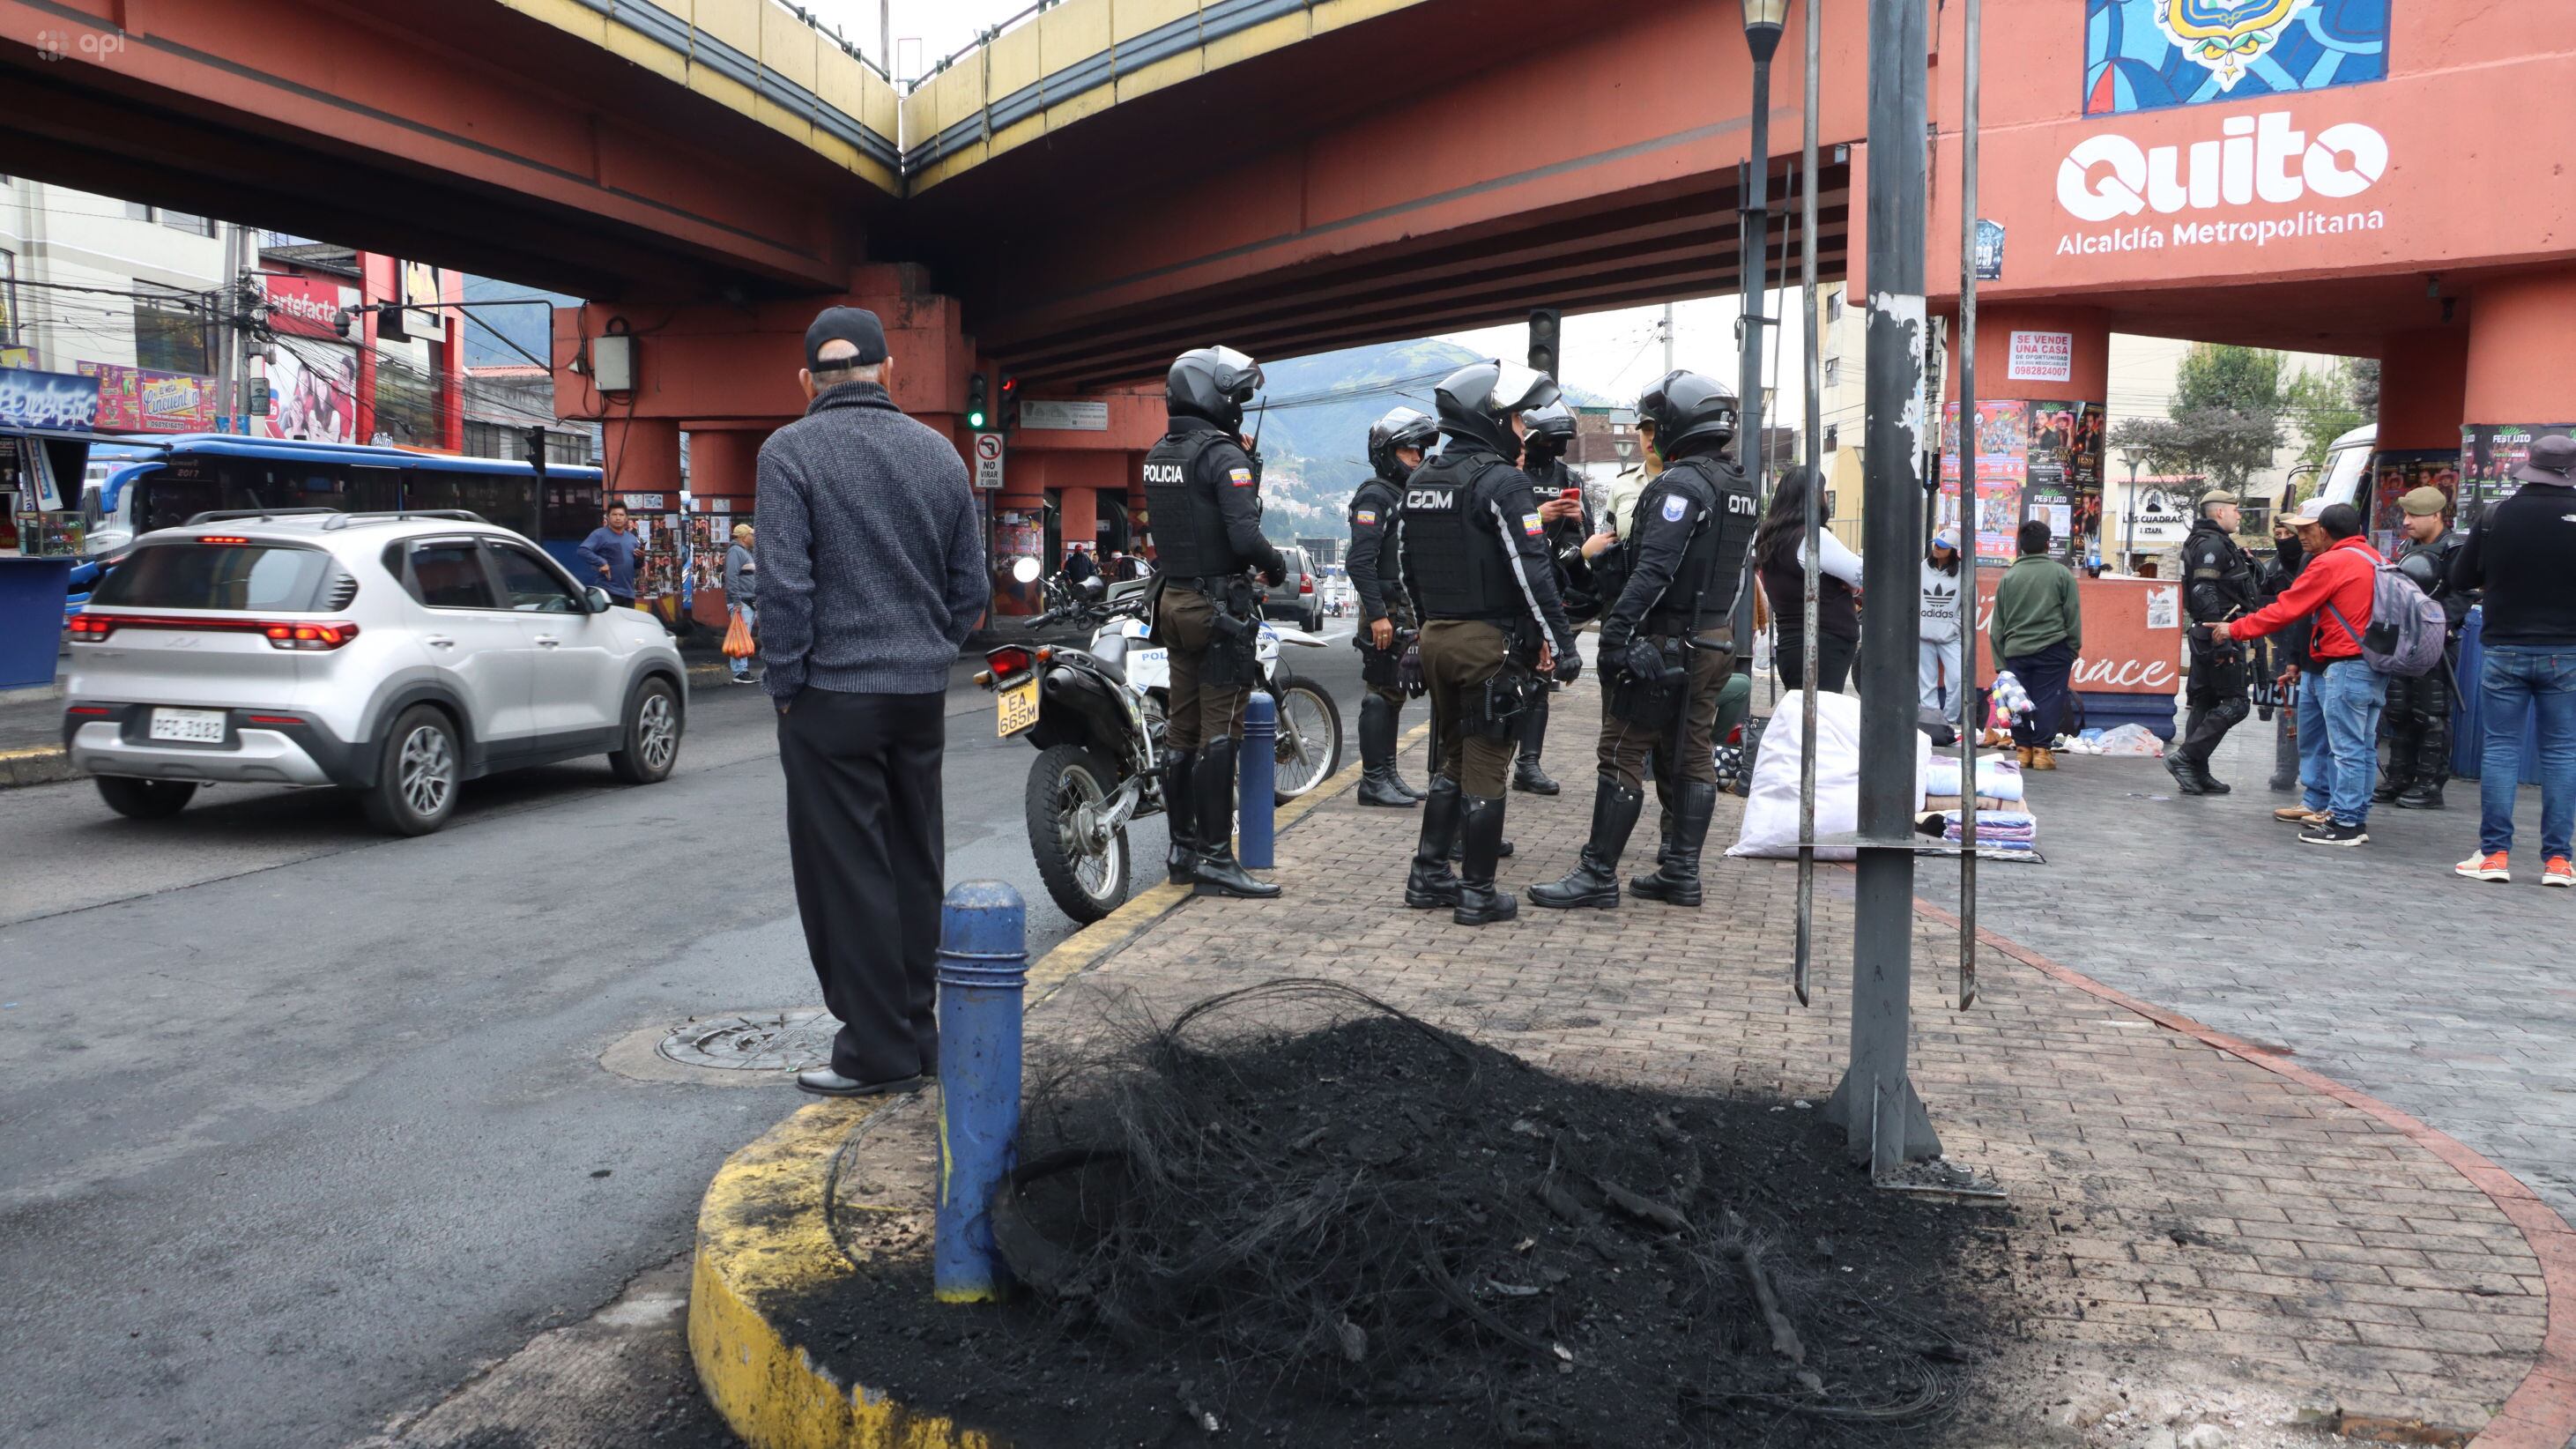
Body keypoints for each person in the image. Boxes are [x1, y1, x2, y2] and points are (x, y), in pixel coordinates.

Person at [757, 305, 990, 1096]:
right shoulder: (940, 455)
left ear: (806, 381)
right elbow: (971, 591)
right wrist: (928, 651)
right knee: (914, 860)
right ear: (889, 372)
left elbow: (785, 588)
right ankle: (919, 1034)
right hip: (919, 695)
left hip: (831, 696)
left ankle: (873, 1052)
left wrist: (787, 686)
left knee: (846, 873)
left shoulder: (788, 452)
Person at [1530, 369, 1756, 912]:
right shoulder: (1741, 487)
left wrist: (1616, 635)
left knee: (1622, 749)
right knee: (1691, 752)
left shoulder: (1678, 486)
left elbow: (1654, 569)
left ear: (1676, 422)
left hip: (1666, 637)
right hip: (1713, 637)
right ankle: (1680, 872)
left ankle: (1597, 873)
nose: (1648, 435)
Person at [1398, 360, 1582, 926]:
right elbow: (1533, 570)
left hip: (1435, 640)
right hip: (1487, 647)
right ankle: (1477, 892)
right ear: (1491, 419)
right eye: (1516, 419)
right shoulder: (1502, 482)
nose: (1523, 430)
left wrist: (1421, 632)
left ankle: (1429, 875)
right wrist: (1562, 642)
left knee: (1452, 756)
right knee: (1486, 764)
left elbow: (1410, 568)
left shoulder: (1422, 479)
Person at [1142, 346, 1288, 901]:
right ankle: (1215, 858)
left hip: (1175, 602)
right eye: (1236, 397)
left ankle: (1181, 851)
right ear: (1214, 398)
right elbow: (1243, 537)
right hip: (1219, 610)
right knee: (1219, 731)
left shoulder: (1161, 451)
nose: (1240, 407)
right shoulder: (1221, 455)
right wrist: (1274, 566)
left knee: (1180, 731)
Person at [2212, 502, 2385, 847]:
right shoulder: (2375, 559)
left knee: (2346, 748)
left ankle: (2347, 822)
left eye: (2308, 529)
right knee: (2362, 746)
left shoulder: (2333, 562)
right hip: (2372, 664)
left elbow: (2287, 608)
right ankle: (2349, 813)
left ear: (2325, 530)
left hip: (2346, 664)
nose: (2301, 536)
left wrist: (2236, 629)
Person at [2450, 432, 2576, 886]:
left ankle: (2494, 855)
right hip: (2568, 651)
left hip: (2504, 646)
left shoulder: (2496, 514)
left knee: (2501, 750)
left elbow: (2461, 576)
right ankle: (2559, 862)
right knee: (2562, 752)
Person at [1347, 405, 1437, 808]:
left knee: (1395, 691)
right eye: (1408, 451)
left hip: (1402, 607)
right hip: (1384, 608)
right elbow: (1359, 561)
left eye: (1420, 451)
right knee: (1380, 691)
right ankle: (1372, 780)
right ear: (1387, 452)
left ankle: (1388, 773)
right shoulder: (1375, 495)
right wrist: (1379, 615)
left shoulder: (1404, 495)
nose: (1416, 458)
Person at [1511, 401, 1592, 797]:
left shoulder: (1568, 477)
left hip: (1553, 587)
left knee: (1541, 678)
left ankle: (1529, 763)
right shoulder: (1511, 475)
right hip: (1514, 591)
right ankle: (1499, 757)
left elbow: (1587, 540)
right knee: (1507, 679)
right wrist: (1539, 515)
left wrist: (1577, 520)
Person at [2373, 486, 2472, 808]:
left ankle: (2430, 784)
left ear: (2436, 516)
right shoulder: (2408, 547)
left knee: (2430, 714)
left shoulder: (2456, 549)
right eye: (2406, 514)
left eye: (2414, 515)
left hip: (2436, 643)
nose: (2406, 521)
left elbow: (2462, 595)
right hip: (2405, 641)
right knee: (2399, 711)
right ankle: (2399, 777)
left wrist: (2440, 627)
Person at [2169, 493, 2262, 795]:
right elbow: (2203, 589)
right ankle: (2186, 758)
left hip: (2209, 632)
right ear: (2220, 512)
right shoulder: (2211, 544)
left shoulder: (2206, 540)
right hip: (2219, 632)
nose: (2239, 516)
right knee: (2236, 703)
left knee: (2206, 701)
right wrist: (2221, 637)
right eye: (2236, 510)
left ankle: (2197, 770)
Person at [1754, 469, 1862, 692]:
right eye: (1823, 492)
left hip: (1791, 643)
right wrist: (1852, 587)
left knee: (1803, 717)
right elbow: (1864, 575)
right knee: (1820, 718)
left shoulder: (1770, 538)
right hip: (1822, 645)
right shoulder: (1813, 537)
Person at [1991, 519, 2082, 770]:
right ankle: (2042, 751)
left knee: (2017, 701)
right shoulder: (2061, 574)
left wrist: (2001, 662)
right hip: (2053, 649)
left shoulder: (2008, 578)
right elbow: (2072, 614)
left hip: (2015, 651)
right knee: (2049, 699)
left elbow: (1997, 625)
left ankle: (2022, 751)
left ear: (2021, 546)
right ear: (2047, 544)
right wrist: (2073, 647)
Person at [1919, 531, 1964, 716]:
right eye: (1935, 544)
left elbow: (1968, 603)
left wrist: (1955, 627)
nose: (1936, 548)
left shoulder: (1963, 571)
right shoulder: (1922, 568)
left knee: (1958, 680)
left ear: (1953, 551)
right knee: (1926, 683)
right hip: (1923, 635)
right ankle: (1931, 722)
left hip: (1950, 637)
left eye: (1942, 546)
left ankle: (1949, 721)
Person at [576, 502, 642, 608]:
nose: (618, 518)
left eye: (621, 515)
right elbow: (582, 550)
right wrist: (601, 562)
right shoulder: (599, 534)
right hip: (608, 592)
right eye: (614, 514)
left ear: (626, 518)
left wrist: (640, 558)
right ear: (608, 517)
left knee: (627, 625)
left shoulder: (632, 539)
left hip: (629, 593)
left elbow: (636, 566)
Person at [724, 522, 759, 684]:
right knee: (740, 636)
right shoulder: (736, 552)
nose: (754, 537)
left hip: (747, 601)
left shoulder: (745, 552)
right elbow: (731, 578)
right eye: (752, 535)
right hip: (741, 602)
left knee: (743, 636)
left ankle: (742, 670)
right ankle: (739, 671)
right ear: (744, 537)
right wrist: (736, 601)